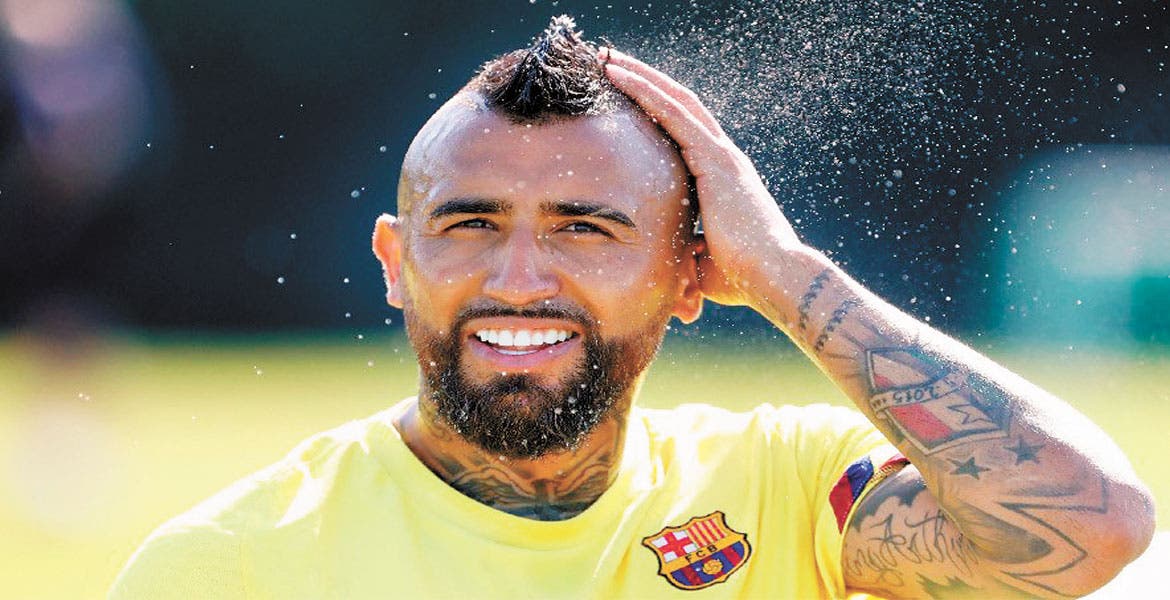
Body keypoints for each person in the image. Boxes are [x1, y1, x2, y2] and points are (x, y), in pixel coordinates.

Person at [111, 16, 1154, 599]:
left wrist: (787, 270)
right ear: (395, 261)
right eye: (470, 223)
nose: (520, 278)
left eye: (586, 228)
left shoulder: (786, 486)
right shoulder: (226, 564)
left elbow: (1094, 527)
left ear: (693, 275)